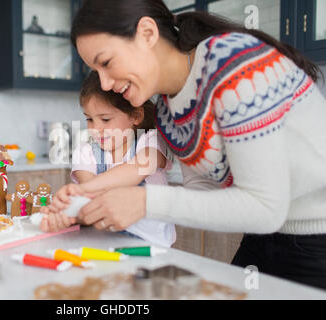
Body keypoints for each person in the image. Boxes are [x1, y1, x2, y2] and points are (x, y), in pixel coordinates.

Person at [63, 0, 326, 289]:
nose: (105, 83)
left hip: (316, 241)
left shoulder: (233, 64)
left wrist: (144, 201)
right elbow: (204, 191)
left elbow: (266, 207)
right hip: (261, 237)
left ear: (147, 33)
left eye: (106, 63)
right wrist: (89, 195)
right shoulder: (166, 109)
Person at [40, 71, 176, 247]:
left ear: (136, 116)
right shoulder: (86, 152)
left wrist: (81, 191)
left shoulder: (151, 141)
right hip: (105, 243)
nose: (96, 128)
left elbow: (135, 169)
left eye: (105, 119)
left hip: (152, 246)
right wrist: (66, 215)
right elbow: (90, 202)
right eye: (89, 119)